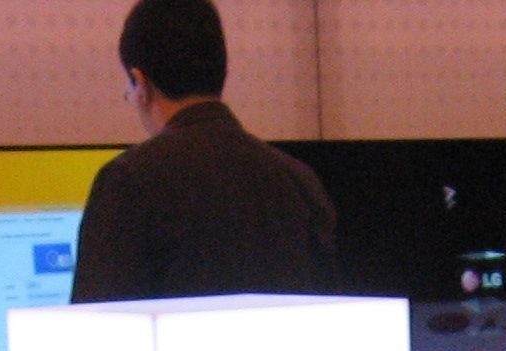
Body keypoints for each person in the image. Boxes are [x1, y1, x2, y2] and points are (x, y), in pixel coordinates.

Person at [69, 0, 336, 304]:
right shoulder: (298, 180)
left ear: (141, 84)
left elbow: (94, 320)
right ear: (221, 70)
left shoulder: (128, 181)